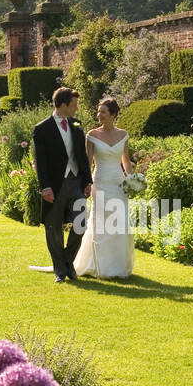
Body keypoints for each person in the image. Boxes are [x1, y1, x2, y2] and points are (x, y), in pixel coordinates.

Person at [32, 87, 93, 283]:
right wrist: (45, 187)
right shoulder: (42, 129)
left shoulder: (76, 124)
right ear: (63, 105)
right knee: (53, 227)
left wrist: (87, 181)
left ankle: (67, 260)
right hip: (55, 185)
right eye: (74, 104)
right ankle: (61, 270)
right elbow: (40, 161)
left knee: (80, 223)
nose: (76, 108)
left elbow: (82, 156)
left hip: (76, 182)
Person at [72, 96, 135, 279]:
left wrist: (130, 179)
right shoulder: (92, 135)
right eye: (98, 111)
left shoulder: (123, 135)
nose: (99, 115)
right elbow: (87, 162)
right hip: (99, 182)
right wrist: (86, 184)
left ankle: (118, 267)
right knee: (100, 224)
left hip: (118, 184)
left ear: (113, 114)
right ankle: (100, 267)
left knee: (119, 224)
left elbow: (126, 160)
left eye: (103, 112)